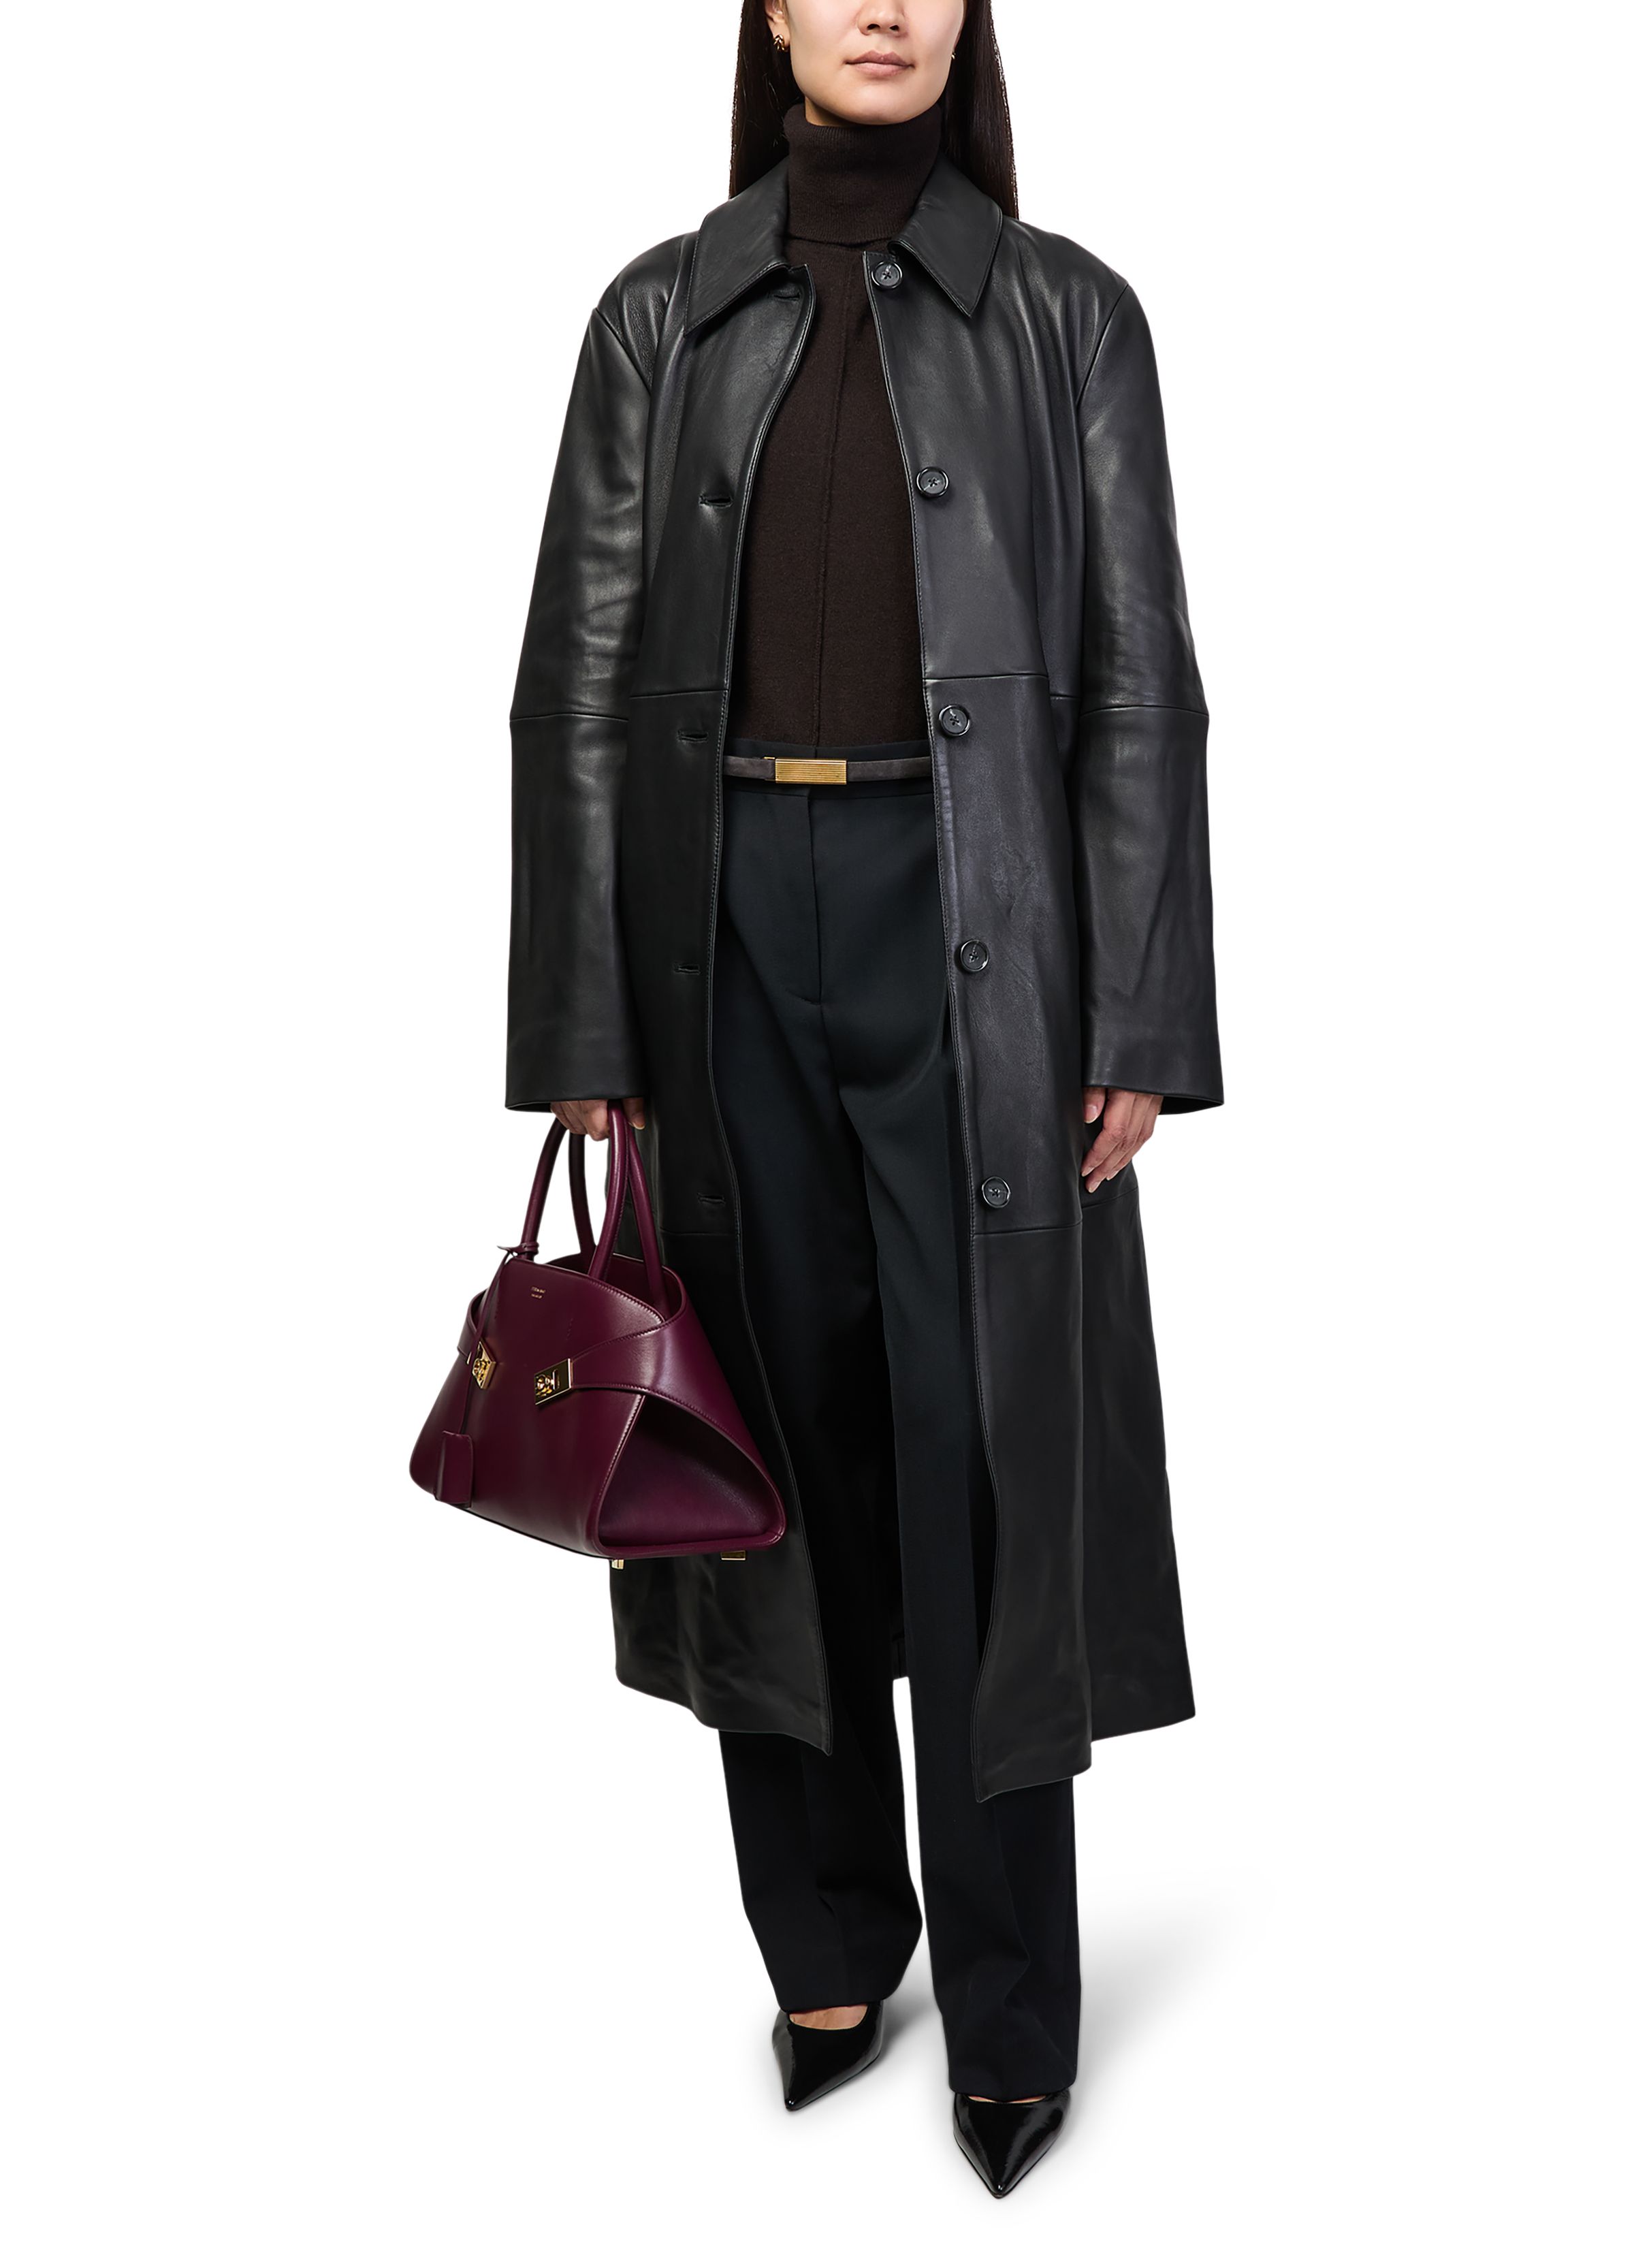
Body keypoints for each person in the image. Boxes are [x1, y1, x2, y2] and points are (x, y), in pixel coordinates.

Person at [506, 0, 1219, 2197]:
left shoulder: (1070, 318)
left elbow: (1140, 680)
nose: (885, 8)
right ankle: (824, 1944)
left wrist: (1139, 1011)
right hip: (718, 931)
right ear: (776, 17)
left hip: (978, 926)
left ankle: (1009, 2005)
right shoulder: (658, 318)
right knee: (762, 1448)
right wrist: (587, 1028)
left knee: (985, 1453)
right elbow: (575, 689)